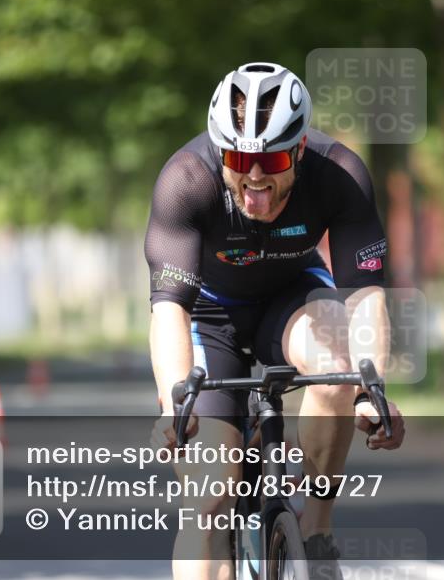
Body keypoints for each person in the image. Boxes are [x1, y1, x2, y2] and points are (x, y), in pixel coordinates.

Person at [145, 62, 405, 580]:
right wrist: (176, 400)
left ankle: (317, 530)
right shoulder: (186, 180)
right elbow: (169, 307)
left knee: (336, 372)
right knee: (210, 498)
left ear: (301, 150)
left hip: (294, 296)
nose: (256, 176)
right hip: (210, 315)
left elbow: (365, 295)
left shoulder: (340, 174)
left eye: (274, 158)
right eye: (239, 159)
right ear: (221, 151)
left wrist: (369, 388)